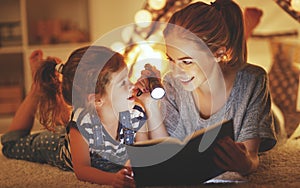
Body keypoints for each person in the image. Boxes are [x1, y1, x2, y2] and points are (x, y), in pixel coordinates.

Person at [136, 0, 276, 176]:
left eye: (186, 62)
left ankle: (245, 31)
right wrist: (150, 106)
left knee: (276, 118)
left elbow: (251, 158)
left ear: (219, 54)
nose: (175, 71)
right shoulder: (172, 83)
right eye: (171, 59)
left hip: (270, 115)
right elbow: (168, 154)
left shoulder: (253, 81)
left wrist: (245, 163)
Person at [1, 46, 156, 187]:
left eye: (128, 78)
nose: (132, 85)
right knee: (11, 144)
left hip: (80, 131)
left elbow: (139, 154)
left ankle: (51, 86)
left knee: (62, 125)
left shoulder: (133, 115)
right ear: (96, 99)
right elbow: (82, 170)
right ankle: (37, 88)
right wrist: (112, 179)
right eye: (122, 83)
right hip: (60, 147)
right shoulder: (84, 123)